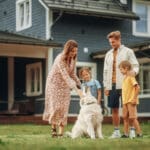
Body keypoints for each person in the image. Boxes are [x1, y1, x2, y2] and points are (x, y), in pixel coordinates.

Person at [103, 31, 139, 138]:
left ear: (119, 39)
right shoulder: (108, 54)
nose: (112, 44)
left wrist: (134, 72)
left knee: (128, 110)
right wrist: (106, 85)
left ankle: (131, 131)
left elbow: (135, 65)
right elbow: (105, 71)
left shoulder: (128, 51)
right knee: (114, 108)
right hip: (112, 85)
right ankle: (117, 132)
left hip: (125, 85)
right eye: (110, 42)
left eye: (113, 42)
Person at [43, 40, 81, 137]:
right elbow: (65, 75)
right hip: (54, 83)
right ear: (67, 50)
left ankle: (61, 132)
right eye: (72, 51)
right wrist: (76, 90)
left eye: (76, 51)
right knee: (55, 106)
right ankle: (53, 129)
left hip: (65, 84)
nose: (74, 53)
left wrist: (79, 84)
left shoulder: (73, 59)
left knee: (64, 106)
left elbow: (72, 73)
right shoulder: (60, 58)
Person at [119, 60, 142, 138]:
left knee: (132, 117)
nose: (120, 71)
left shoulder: (131, 77)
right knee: (125, 117)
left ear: (126, 68)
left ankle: (139, 133)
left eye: (121, 69)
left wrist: (134, 99)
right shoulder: (125, 78)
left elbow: (138, 88)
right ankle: (126, 134)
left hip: (131, 100)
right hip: (125, 101)